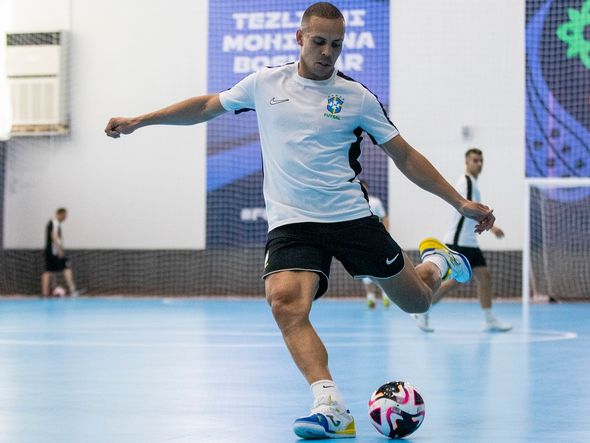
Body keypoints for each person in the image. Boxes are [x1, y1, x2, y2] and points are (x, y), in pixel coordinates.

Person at [105, 3, 495, 439]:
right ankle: (330, 406)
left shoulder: (357, 98)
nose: (328, 53)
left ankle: (437, 261)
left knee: (418, 302)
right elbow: (205, 107)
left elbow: (404, 155)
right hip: (292, 221)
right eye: (319, 42)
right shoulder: (264, 83)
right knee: (284, 302)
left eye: (337, 45)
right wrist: (141, 120)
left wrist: (459, 202)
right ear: (299, 38)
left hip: (350, 217)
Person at [411, 148, 512, 333]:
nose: (478, 164)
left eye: (481, 160)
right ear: (467, 162)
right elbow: (466, 208)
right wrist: (490, 225)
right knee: (452, 283)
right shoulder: (466, 182)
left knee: (485, 277)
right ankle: (422, 310)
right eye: (475, 160)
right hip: (459, 242)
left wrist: (491, 226)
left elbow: (476, 210)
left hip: (471, 242)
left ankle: (489, 319)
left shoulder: (473, 183)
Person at [359, 180, 391, 309]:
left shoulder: (375, 202)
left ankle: (386, 296)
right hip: (361, 242)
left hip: (377, 240)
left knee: (383, 267)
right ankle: (370, 297)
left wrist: (385, 235)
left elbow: (384, 217)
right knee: (366, 270)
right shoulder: (352, 203)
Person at [41, 208, 80, 297]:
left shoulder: (51, 222)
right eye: (65, 215)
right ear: (60, 214)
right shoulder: (55, 223)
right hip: (54, 252)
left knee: (48, 271)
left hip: (49, 251)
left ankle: (45, 293)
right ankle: (72, 290)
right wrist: (60, 250)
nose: (65, 218)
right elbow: (54, 236)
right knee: (66, 268)